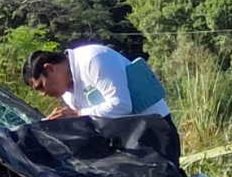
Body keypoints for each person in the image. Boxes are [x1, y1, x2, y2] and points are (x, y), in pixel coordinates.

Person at [23, 45, 172, 124]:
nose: (44, 94)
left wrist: (77, 114)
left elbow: (121, 105)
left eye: (41, 86)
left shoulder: (93, 59)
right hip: (124, 139)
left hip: (154, 127)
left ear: (50, 68)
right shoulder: (68, 93)